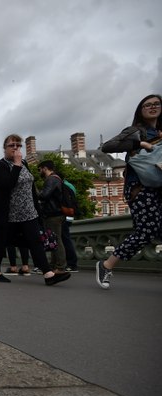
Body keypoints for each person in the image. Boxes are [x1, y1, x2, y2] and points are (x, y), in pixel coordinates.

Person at [97, 94, 162, 289]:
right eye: (147, 105)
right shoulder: (135, 131)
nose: (152, 107)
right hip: (140, 188)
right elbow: (107, 146)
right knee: (146, 230)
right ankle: (107, 265)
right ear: (140, 111)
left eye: (156, 104)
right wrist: (139, 144)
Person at [0, 134, 71, 285]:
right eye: (11, 145)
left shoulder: (24, 163)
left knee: (36, 241)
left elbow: (31, 187)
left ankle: (48, 274)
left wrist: (37, 210)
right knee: (2, 242)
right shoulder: (1, 166)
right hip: (10, 214)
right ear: (4, 148)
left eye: (18, 145)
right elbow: (7, 185)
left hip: (28, 212)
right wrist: (17, 165)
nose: (15, 148)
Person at [37, 160, 66, 273]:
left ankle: (60, 266)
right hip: (55, 213)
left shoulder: (52, 179)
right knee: (53, 240)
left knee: (56, 240)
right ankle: (54, 265)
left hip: (54, 214)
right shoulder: (56, 178)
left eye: (40, 170)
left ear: (45, 168)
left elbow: (44, 195)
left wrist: (34, 190)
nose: (40, 172)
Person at [61, 177, 79, 272]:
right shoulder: (70, 185)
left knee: (65, 239)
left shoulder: (63, 185)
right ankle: (70, 263)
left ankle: (71, 263)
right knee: (65, 239)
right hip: (70, 215)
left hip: (65, 215)